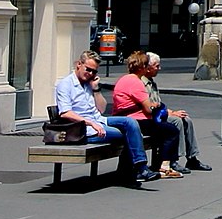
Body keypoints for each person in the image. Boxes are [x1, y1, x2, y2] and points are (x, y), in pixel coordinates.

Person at [52, 52, 156, 184]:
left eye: (94, 71)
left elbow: (101, 108)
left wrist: (95, 90)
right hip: (83, 130)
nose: (90, 73)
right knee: (126, 134)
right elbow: (65, 113)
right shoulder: (66, 85)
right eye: (88, 69)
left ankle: (137, 168)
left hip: (99, 120)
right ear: (79, 64)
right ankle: (135, 170)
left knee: (130, 123)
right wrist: (90, 124)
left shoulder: (88, 84)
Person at [111, 52, 184, 178]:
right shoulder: (135, 82)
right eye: (146, 66)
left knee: (162, 129)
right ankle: (164, 165)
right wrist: (155, 106)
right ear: (142, 67)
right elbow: (148, 109)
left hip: (127, 118)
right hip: (136, 120)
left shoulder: (124, 79)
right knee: (171, 131)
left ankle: (137, 168)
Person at [143, 53, 211, 171]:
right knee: (176, 121)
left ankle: (192, 158)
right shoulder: (141, 83)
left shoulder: (152, 82)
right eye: (156, 66)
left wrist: (172, 111)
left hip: (159, 114)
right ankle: (174, 160)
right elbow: (150, 107)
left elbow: (159, 104)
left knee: (186, 119)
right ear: (148, 68)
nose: (159, 68)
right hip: (150, 117)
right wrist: (171, 114)